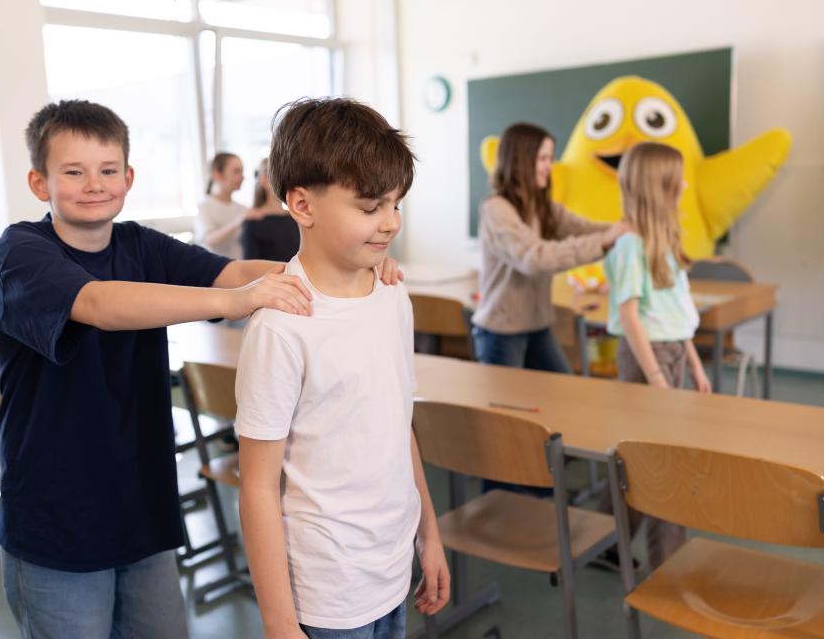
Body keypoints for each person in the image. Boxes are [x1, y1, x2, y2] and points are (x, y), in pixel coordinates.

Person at [0, 99, 403, 639]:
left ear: (128, 178)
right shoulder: (20, 251)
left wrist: (352, 262)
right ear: (39, 183)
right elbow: (99, 303)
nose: (94, 184)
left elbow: (233, 271)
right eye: (73, 172)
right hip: (56, 524)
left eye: (108, 170)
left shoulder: (140, 244)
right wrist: (235, 302)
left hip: (141, 513)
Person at [236, 97, 450, 639]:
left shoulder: (392, 294)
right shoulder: (282, 325)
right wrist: (279, 623)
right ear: (302, 205)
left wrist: (429, 533)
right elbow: (257, 486)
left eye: (396, 204)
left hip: (392, 565)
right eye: (370, 206)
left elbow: (398, 425)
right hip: (327, 592)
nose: (391, 223)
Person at [595, 141, 711, 571]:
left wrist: (694, 365)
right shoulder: (631, 245)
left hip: (669, 354)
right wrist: (658, 378)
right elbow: (631, 317)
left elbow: (675, 315)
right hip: (648, 358)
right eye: (678, 180)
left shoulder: (665, 242)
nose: (685, 186)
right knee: (662, 464)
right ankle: (670, 562)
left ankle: (604, 538)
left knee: (644, 458)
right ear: (659, 188)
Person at [471, 122, 629, 373]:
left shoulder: (541, 205)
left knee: (562, 387)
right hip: (501, 333)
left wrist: (621, 229)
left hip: (537, 326)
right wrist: (604, 241)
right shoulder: (496, 209)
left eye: (550, 158)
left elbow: (580, 227)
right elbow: (535, 259)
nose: (549, 166)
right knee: (508, 399)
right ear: (520, 160)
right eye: (543, 158)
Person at [241, 158, 300, 262]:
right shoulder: (253, 221)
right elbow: (250, 266)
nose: (287, 183)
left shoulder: (297, 218)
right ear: (265, 180)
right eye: (281, 177)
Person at [194, 152, 247, 259]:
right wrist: (237, 222)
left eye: (242, 171)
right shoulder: (204, 207)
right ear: (217, 174)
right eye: (236, 171)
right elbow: (209, 240)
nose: (242, 177)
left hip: (239, 266)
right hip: (214, 267)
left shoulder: (243, 209)